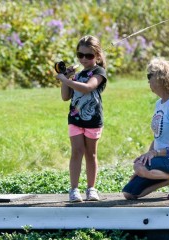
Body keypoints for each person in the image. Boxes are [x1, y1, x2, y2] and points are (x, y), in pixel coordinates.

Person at [122, 58, 169, 200]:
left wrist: (155, 154)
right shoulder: (160, 104)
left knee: (140, 167)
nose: (148, 81)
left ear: (161, 79)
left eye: (150, 76)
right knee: (129, 193)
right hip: (163, 160)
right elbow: (159, 136)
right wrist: (147, 155)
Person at [55, 35, 107, 202]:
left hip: (93, 120)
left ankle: (91, 189)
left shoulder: (99, 73)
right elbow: (65, 97)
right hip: (75, 119)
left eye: (89, 56)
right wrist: (67, 78)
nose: (84, 59)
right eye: (80, 55)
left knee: (91, 154)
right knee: (76, 152)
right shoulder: (76, 76)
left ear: (97, 56)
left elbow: (87, 88)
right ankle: (74, 189)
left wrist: (64, 79)